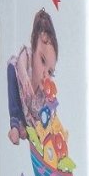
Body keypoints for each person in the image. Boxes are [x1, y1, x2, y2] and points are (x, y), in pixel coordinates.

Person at [7, 9, 59, 145]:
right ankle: (15, 124)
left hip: (30, 117)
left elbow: (46, 111)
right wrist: (24, 77)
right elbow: (20, 63)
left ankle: (27, 129)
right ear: (33, 48)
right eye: (42, 60)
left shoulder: (44, 90)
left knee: (42, 120)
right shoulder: (27, 56)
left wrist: (50, 103)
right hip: (20, 101)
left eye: (50, 71)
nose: (45, 73)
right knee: (12, 67)